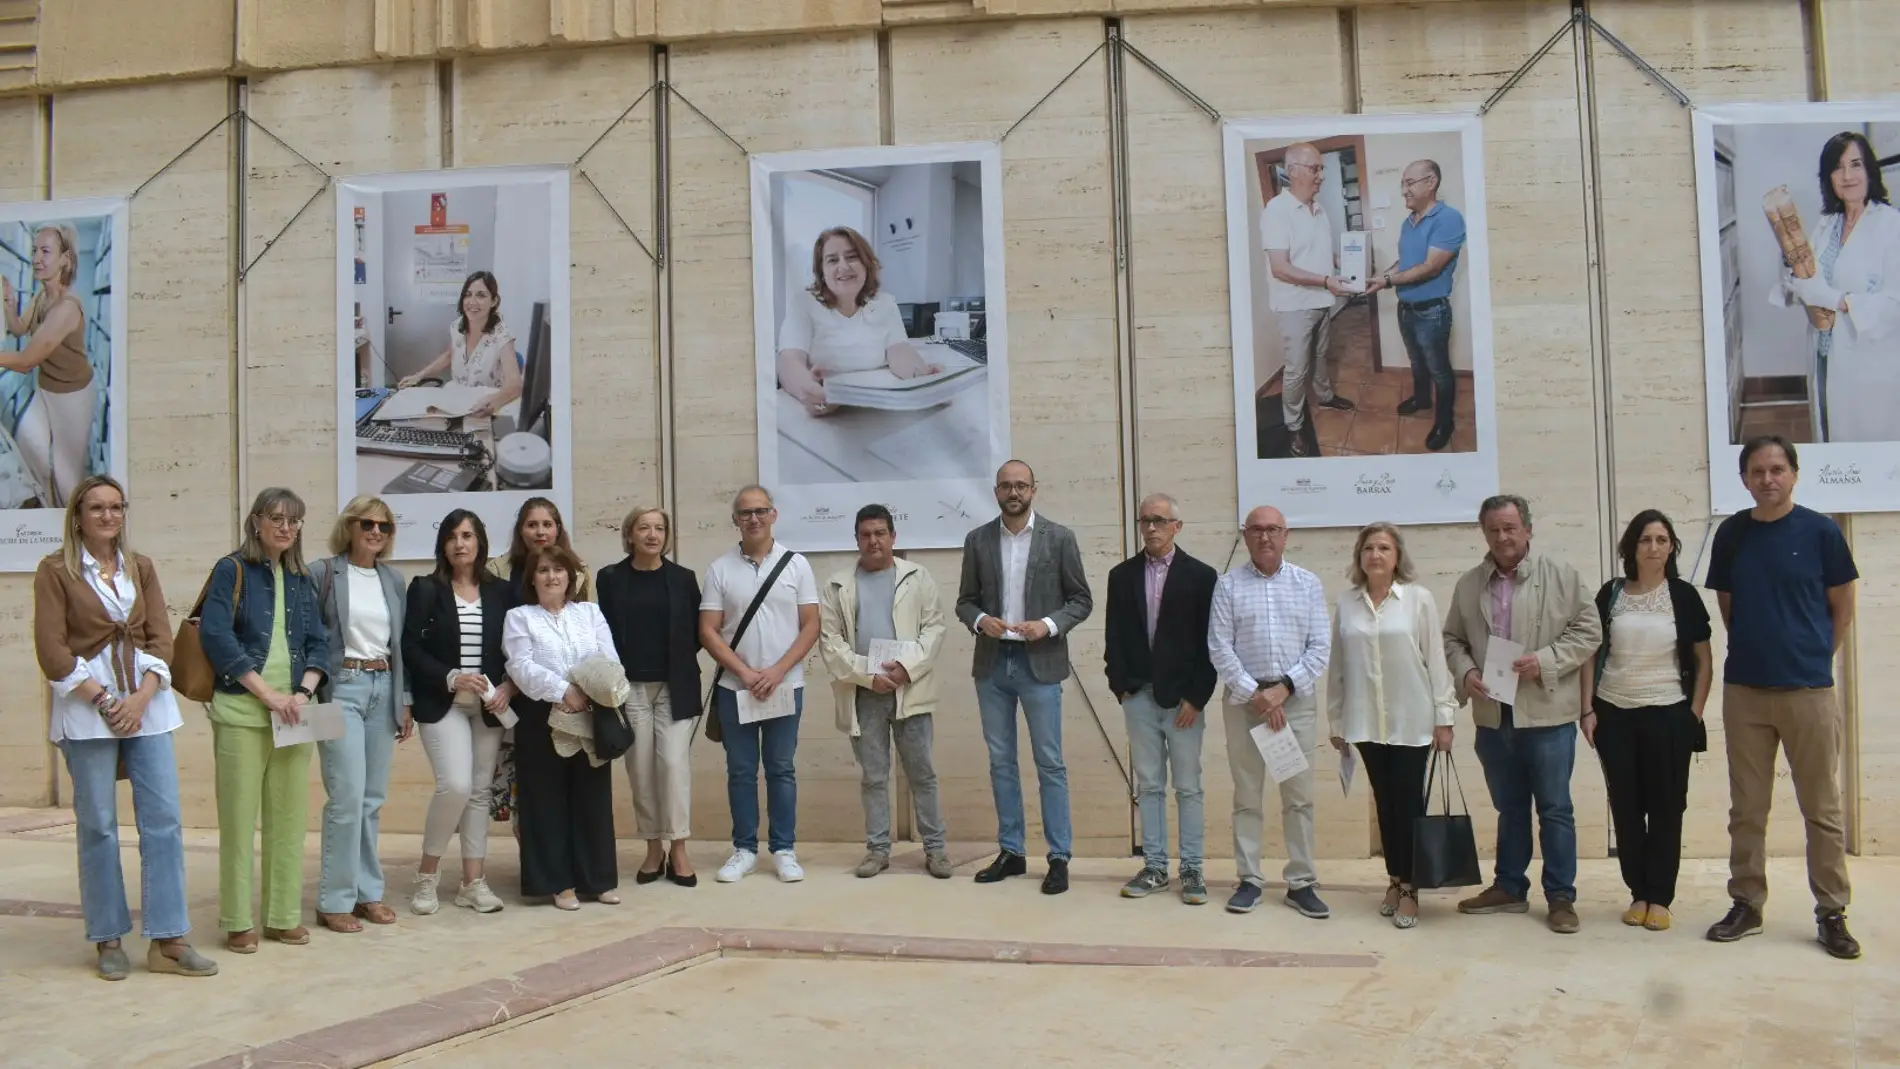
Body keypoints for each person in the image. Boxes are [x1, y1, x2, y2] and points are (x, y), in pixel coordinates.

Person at [32, 475, 215, 980]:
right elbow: (52, 652)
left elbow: (162, 640)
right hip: (87, 709)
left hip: (148, 707)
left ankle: (168, 940)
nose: (109, 516)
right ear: (78, 515)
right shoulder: (54, 571)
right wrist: (108, 701)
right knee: (98, 827)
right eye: (97, 508)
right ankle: (107, 938)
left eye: (116, 507)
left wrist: (140, 699)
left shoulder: (141, 567)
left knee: (164, 821)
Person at [1705, 436, 1860, 959]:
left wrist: (1814, 657)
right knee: (1747, 809)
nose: (1767, 479)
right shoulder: (1732, 534)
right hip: (1745, 690)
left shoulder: (1821, 532)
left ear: (1794, 473)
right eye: (1756, 470)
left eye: (1777, 469)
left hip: (1808, 691)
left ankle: (1832, 911)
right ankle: (1746, 902)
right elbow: (1729, 609)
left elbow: (1842, 607)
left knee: (1822, 808)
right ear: (1745, 479)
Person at [1442, 494, 1600, 934]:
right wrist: (1467, 670)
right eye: (1493, 529)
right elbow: (1452, 639)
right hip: (1495, 716)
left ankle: (1561, 897)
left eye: (1510, 528)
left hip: (1547, 714)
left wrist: (1546, 661)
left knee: (1555, 810)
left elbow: (1590, 630)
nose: (1502, 537)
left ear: (1528, 530)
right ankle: (1509, 887)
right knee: (1509, 808)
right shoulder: (1469, 584)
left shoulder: (1561, 576)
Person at [199, 487, 330, 953]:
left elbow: (320, 641)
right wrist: (269, 695)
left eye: (294, 521)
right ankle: (237, 920)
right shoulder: (231, 569)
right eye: (276, 518)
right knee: (238, 821)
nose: (286, 528)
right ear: (256, 521)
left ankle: (282, 916)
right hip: (241, 710)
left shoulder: (301, 578)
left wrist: (301, 692)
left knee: (290, 819)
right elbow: (216, 637)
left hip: (296, 713)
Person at [956, 460, 1093, 894]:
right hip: (993, 664)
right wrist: (980, 620)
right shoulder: (977, 540)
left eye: (1021, 485)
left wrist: (1048, 625)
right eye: (1006, 486)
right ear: (995, 491)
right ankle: (1012, 851)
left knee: (1050, 761)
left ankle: (1058, 857)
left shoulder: (1060, 538)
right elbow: (964, 601)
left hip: (1041, 663)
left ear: (1034, 489)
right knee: (1001, 762)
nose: (1013, 492)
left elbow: (1081, 599)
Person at [1325, 522, 1455, 929]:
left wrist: (1444, 717)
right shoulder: (1347, 604)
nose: (1375, 555)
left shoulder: (1418, 600)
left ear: (1397, 556)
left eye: (1383, 548)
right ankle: (1395, 880)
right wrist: (1336, 719)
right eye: (1368, 548)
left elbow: (1436, 660)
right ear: (1359, 557)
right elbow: (1338, 668)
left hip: (1412, 721)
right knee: (1385, 804)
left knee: (1409, 805)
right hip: (1365, 722)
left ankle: (1411, 888)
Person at [1587, 509, 1711, 934]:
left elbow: (1704, 660)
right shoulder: (1612, 594)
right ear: (1631, 547)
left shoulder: (1684, 596)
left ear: (1671, 547)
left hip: (1668, 714)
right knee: (1625, 807)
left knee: (1666, 808)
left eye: (1662, 539)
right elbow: (1591, 652)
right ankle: (1637, 892)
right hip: (1614, 714)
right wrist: (1588, 709)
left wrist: (1692, 715)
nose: (1653, 547)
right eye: (1645, 539)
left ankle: (1660, 897)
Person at [1208, 505, 1331, 918]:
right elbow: (1219, 648)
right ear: (1245, 535)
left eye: (1273, 529)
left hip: (1294, 703)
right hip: (1245, 705)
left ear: (1286, 534)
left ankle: (1301, 882)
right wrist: (1255, 694)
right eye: (1257, 530)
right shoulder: (1227, 586)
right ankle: (1249, 879)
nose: (1265, 537)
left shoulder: (1307, 584)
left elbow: (1320, 647)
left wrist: (1282, 690)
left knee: (1298, 797)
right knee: (1247, 796)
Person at [819, 504, 952, 880]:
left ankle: (936, 850)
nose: (873, 540)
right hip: (865, 693)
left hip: (910, 689)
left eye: (880, 533)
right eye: (866, 534)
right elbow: (831, 643)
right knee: (874, 776)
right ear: (857, 539)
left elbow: (935, 628)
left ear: (894, 537)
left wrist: (907, 668)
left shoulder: (918, 577)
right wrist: (867, 675)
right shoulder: (838, 584)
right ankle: (878, 850)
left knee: (922, 773)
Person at [700, 485, 821, 884]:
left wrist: (777, 671)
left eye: (761, 511)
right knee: (740, 770)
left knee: (782, 769)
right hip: (737, 687)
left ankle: (784, 849)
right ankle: (744, 849)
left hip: (786, 685)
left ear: (774, 515)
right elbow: (709, 632)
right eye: (745, 513)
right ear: (735, 519)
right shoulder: (720, 569)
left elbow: (811, 625)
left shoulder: (797, 565)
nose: (754, 519)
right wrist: (748, 673)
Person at [1103, 493, 1217, 905]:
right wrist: (1121, 688)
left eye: (1159, 520)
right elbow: (1113, 637)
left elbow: (1212, 644)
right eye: (1145, 520)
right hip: (1139, 697)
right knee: (1149, 784)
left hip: (1185, 701)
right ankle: (1154, 866)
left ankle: (1192, 870)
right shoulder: (1121, 575)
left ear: (1177, 527)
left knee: (1188, 787)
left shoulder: (1202, 577)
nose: (1151, 528)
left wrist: (1197, 697)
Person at [307, 496, 412, 934]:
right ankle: (334, 899)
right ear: (349, 527)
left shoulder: (393, 578)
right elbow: (310, 634)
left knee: (371, 801)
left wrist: (404, 698)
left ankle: (369, 894)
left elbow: (399, 644)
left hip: (383, 687)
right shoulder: (324, 572)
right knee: (347, 798)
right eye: (367, 523)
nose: (375, 532)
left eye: (384, 527)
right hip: (340, 689)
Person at [402, 509, 513, 915]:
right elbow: (410, 648)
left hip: (488, 708)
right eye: (452, 537)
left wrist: (508, 686)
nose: (460, 544)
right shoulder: (426, 588)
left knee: (480, 791)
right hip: (443, 702)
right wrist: (451, 677)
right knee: (456, 785)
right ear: (442, 545)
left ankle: (473, 882)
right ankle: (427, 876)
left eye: (467, 535)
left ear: (480, 541)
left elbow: (516, 647)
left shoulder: (501, 591)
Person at [503, 543, 621, 910]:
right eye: (543, 570)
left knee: (593, 798)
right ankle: (558, 883)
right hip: (541, 716)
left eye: (558, 569)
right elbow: (519, 666)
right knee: (546, 800)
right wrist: (562, 690)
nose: (552, 576)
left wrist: (586, 690)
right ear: (532, 579)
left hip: (590, 711)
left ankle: (597, 880)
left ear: (571, 576)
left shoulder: (590, 613)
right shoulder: (519, 617)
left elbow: (608, 658)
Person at [596, 505, 704, 888]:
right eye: (644, 528)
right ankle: (653, 847)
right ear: (630, 534)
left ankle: (679, 848)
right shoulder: (609, 578)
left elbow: (697, 633)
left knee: (673, 768)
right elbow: (602, 633)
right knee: (641, 771)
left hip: (674, 687)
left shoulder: (683, 579)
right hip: (630, 690)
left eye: (659, 528)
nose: (652, 535)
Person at [1771, 132, 1900, 443]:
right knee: (1829, 433)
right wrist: (1792, 274)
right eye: (1837, 167)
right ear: (1828, 177)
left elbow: (1894, 303)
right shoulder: (1828, 223)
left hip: (1868, 363)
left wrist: (1834, 299)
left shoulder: (1891, 225)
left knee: (1865, 439)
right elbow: (1810, 277)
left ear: (1869, 170)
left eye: (1855, 165)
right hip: (1825, 354)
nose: (1847, 175)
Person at [487, 497, 590, 835]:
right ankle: (533, 862)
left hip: (565, 695)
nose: (541, 531)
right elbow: (495, 638)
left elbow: (584, 637)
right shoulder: (497, 571)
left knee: (562, 782)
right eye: (532, 524)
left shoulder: (579, 571)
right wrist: (510, 683)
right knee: (522, 783)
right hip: (513, 690)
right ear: (521, 530)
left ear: (558, 528)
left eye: (548, 524)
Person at [776, 226, 939, 418]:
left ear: (866, 264)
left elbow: (900, 351)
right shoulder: (804, 304)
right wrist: (808, 390)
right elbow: (789, 361)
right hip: (822, 418)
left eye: (852, 257)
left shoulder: (885, 304)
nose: (843, 266)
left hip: (878, 413)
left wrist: (922, 377)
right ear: (822, 271)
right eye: (832, 260)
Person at [1261, 142, 1354, 457]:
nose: (1321, 175)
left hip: (1323, 301)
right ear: (1293, 170)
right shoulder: (1276, 211)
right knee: (1297, 370)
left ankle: (1325, 396)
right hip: (1295, 307)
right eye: (1315, 168)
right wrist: (1327, 280)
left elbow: (1321, 252)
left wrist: (1346, 264)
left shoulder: (1320, 209)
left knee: (1320, 356)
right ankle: (1294, 426)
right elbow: (1280, 268)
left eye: (1322, 168)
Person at [1368, 159, 1466, 452]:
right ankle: (1422, 399)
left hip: (1432, 313)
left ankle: (1445, 422)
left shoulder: (1448, 218)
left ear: (1431, 182)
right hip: (1406, 309)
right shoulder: (1407, 222)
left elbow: (1430, 267)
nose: (1404, 190)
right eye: (1403, 183)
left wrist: (1388, 282)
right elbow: (1406, 263)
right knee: (1416, 363)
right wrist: (1383, 276)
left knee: (1439, 371)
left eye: (1409, 183)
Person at [1, 223, 96, 507]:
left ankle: (73, 535)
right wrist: (8, 302)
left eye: (45, 251)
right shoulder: (42, 296)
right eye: (34, 250)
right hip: (44, 390)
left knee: (68, 475)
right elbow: (19, 329)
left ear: (65, 258)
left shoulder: (67, 307)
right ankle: (49, 521)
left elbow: (27, 360)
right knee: (41, 460)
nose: (36, 258)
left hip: (72, 397)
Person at [396, 270, 521, 419]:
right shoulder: (458, 326)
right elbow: (449, 355)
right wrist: (418, 376)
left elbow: (515, 385)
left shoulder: (502, 334)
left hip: (486, 407)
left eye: (481, 295)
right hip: (457, 401)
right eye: (468, 295)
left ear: (493, 301)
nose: (472, 302)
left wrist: (494, 402)